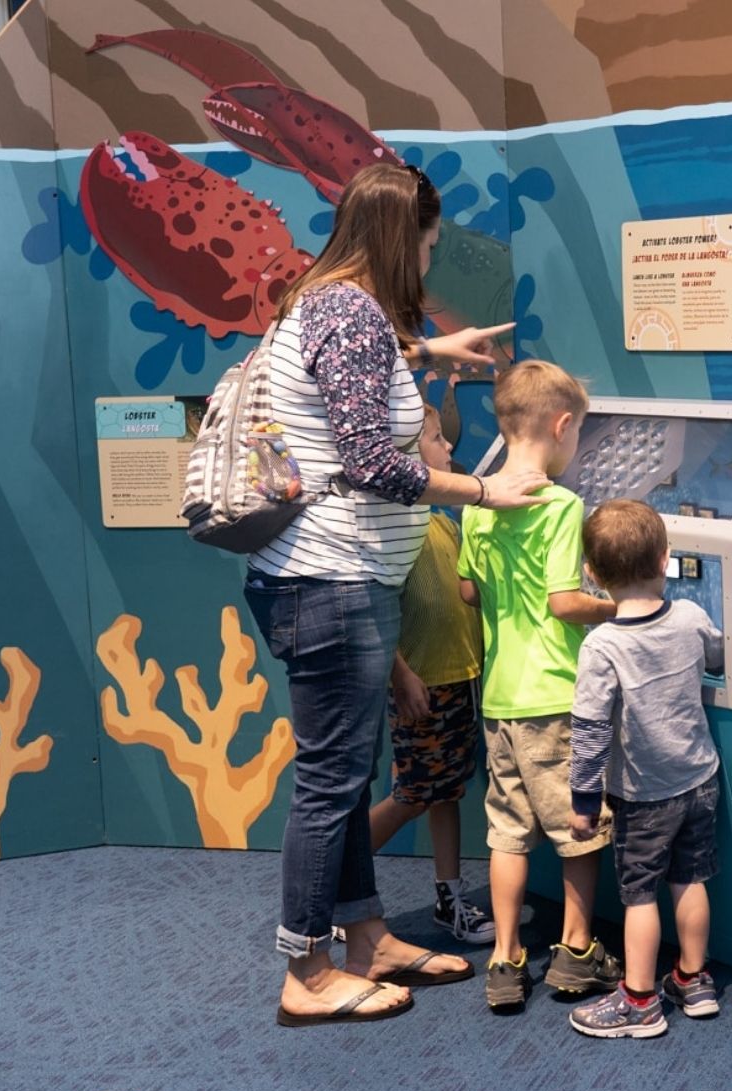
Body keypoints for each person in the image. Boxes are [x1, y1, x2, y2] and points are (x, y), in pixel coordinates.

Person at [243, 162, 550, 1028]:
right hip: (329, 578)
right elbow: (373, 462)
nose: (427, 258)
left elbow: (351, 374)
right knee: (329, 781)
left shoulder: (330, 305)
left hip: (331, 578)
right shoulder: (348, 310)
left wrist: (430, 352)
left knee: (347, 775)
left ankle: (367, 937)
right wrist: (485, 490)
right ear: (396, 236)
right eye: (425, 243)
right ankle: (307, 971)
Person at [456, 359, 621, 1011]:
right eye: (578, 432)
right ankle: (576, 950)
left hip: (499, 697)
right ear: (561, 425)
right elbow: (563, 602)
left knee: (506, 831)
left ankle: (506, 958)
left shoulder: (476, 501)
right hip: (555, 695)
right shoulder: (561, 505)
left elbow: (468, 591)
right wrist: (618, 606)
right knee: (580, 825)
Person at [563, 500, 725, 1038]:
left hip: (643, 796)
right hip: (700, 779)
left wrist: (584, 803)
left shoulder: (602, 645)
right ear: (664, 559)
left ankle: (639, 1001)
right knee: (690, 879)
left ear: (591, 573)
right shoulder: (691, 617)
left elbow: (590, 732)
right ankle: (693, 980)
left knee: (639, 895)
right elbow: (719, 656)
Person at [367, 404, 500, 942]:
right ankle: (334, 885)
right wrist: (401, 676)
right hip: (423, 684)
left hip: (458, 678)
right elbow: (373, 613)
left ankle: (450, 898)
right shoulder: (388, 529)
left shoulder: (440, 521)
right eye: (437, 439)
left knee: (445, 792)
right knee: (415, 794)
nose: (448, 448)